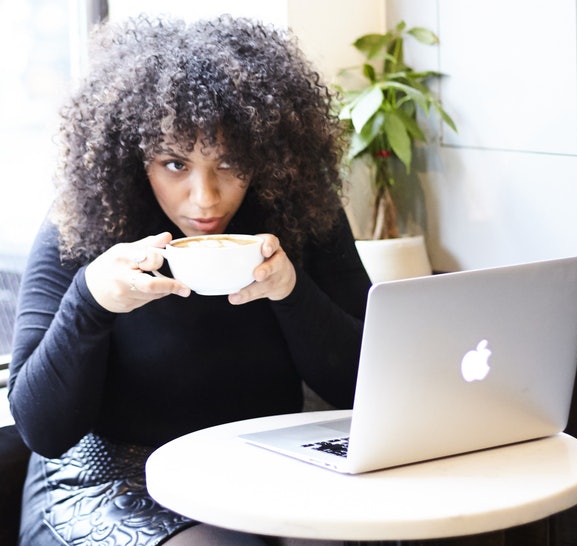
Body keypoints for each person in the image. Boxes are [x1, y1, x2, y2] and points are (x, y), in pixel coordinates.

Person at [9, 15, 371, 546]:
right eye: (175, 164)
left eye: (230, 163)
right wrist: (90, 299)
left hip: (259, 461)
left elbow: (365, 386)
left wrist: (292, 293)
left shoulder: (300, 211)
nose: (206, 198)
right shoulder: (88, 219)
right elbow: (42, 429)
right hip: (111, 471)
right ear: (134, 158)